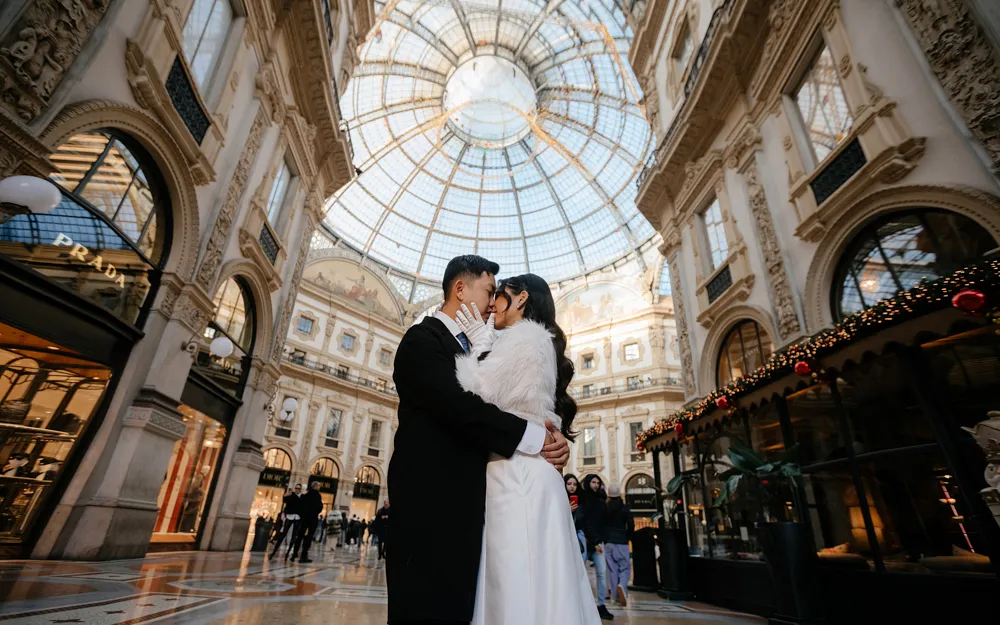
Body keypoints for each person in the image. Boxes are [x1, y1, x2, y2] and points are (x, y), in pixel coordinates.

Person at [388, 255, 570, 625]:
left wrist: (552, 436)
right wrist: (535, 438)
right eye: (488, 290)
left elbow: (521, 398)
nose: (491, 302)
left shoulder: (474, 348)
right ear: (459, 288)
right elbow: (460, 407)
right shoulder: (422, 340)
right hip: (430, 509)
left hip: (475, 510)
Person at [454, 272, 601, 625]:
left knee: (516, 579)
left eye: (499, 296)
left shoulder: (526, 339)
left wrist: (478, 345)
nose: (492, 305)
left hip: (517, 473)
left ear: (520, 299)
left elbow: (476, 393)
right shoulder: (533, 342)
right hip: (526, 469)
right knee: (536, 578)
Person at [581, 474, 614, 620]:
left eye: (598, 482)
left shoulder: (602, 501)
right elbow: (584, 521)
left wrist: (602, 540)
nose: (595, 485)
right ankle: (582, 603)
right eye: (593, 482)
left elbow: (605, 522)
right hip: (585, 541)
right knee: (580, 573)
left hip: (598, 543)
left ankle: (601, 604)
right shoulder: (583, 500)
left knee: (601, 573)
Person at [604, 483, 635, 607]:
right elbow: (631, 524)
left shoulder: (606, 508)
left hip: (609, 542)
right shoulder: (625, 508)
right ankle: (622, 585)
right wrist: (629, 537)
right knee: (625, 567)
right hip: (622, 541)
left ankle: (615, 597)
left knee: (612, 570)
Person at [269, 484, 304, 559]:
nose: (297, 489)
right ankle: (273, 552)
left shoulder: (303, 497)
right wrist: (286, 495)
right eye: (296, 488)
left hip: (297, 518)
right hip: (290, 516)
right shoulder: (291, 496)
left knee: (294, 536)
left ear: (301, 489)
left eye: (299, 488)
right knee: (283, 534)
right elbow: (284, 500)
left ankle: (288, 553)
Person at [293, 481, 324, 563]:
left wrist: (303, 515)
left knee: (300, 536)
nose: (319, 487)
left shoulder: (305, 495)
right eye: (319, 486)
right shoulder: (317, 496)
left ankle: (294, 553)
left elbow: (299, 507)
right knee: (309, 537)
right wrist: (314, 513)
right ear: (316, 487)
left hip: (304, 519)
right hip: (312, 519)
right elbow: (320, 507)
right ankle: (303, 555)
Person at [565, 474, 586, 562]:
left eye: (575, 484)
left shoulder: (582, 501)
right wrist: (566, 510)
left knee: (581, 561)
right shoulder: (558, 499)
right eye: (569, 484)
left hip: (579, 533)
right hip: (565, 533)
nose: (572, 487)